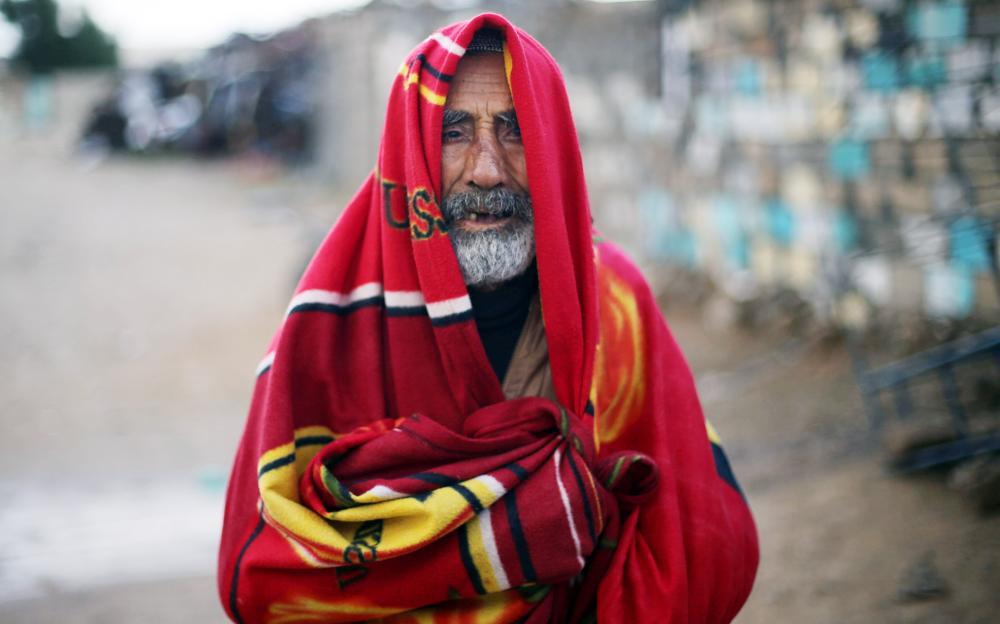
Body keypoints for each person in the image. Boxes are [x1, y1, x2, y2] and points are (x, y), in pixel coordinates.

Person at [218, 13, 758, 623]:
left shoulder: (615, 302)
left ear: (552, 142)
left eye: (515, 129)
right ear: (411, 148)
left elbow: (703, 538)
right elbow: (260, 573)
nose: (486, 168)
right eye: (454, 133)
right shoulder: (332, 322)